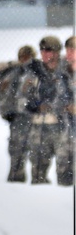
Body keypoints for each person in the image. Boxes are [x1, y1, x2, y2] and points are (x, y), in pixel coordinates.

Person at [15, 35, 68, 185]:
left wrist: (59, 107)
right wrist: (34, 106)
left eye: (49, 50)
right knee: (38, 170)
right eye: (42, 50)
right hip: (39, 127)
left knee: (66, 169)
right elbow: (21, 100)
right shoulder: (33, 73)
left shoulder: (66, 71)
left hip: (62, 126)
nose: (45, 53)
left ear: (57, 52)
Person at [0, 45, 37, 182]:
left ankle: (39, 181)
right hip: (17, 117)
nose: (25, 60)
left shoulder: (39, 72)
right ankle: (16, 179)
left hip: (35, 117)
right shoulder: (12, 72)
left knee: (38, 151)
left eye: (28, 57)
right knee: (17, 149)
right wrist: (2, 86)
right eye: (22, 57)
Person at [57, 36, 76, 187]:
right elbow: (58, 98)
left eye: (72, 50)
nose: (68, 53)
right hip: (68, 127)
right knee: (64, 165)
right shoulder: (63, 72)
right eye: (67, 49)